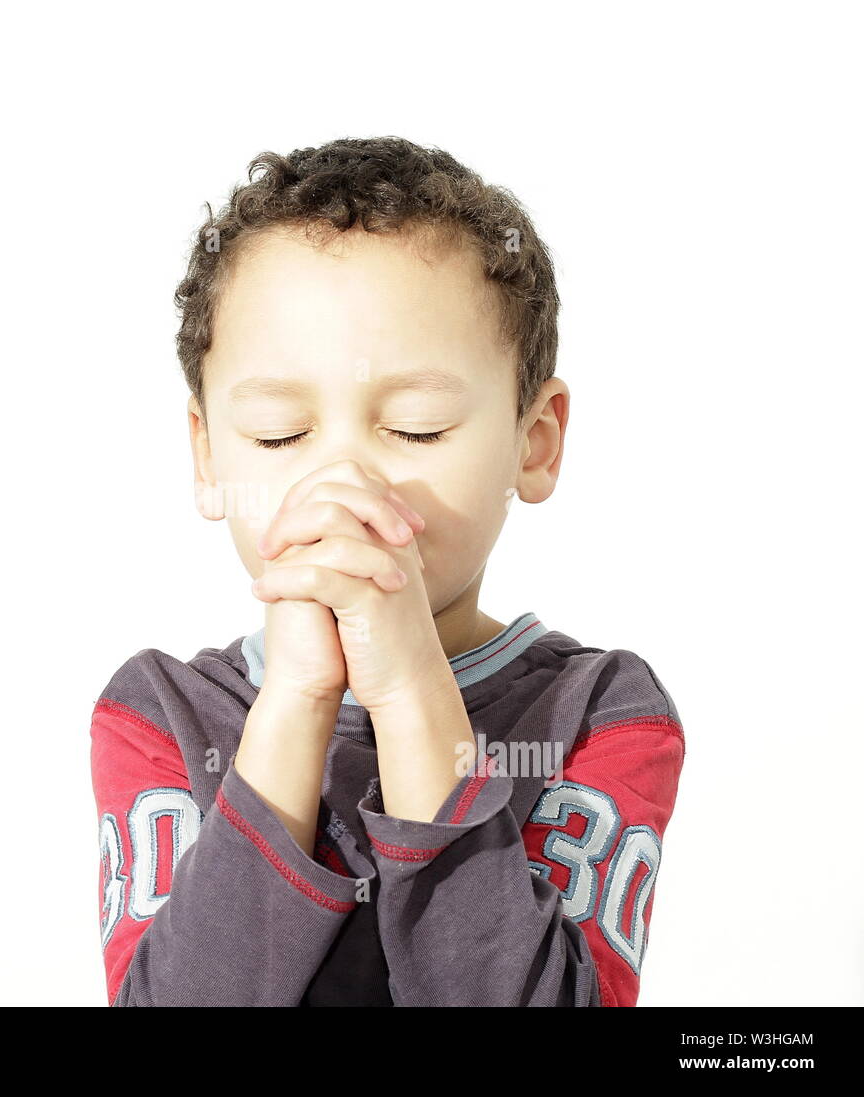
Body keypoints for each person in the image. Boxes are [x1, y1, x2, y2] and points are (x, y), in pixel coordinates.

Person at [91, 136, 685, 1006]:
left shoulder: (601, 713)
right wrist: (294, 700)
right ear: (208, 455)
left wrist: (409, 692)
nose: (345, 484)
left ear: (536, 440)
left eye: (416, 426)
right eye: (279, 434)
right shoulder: (159, 717)